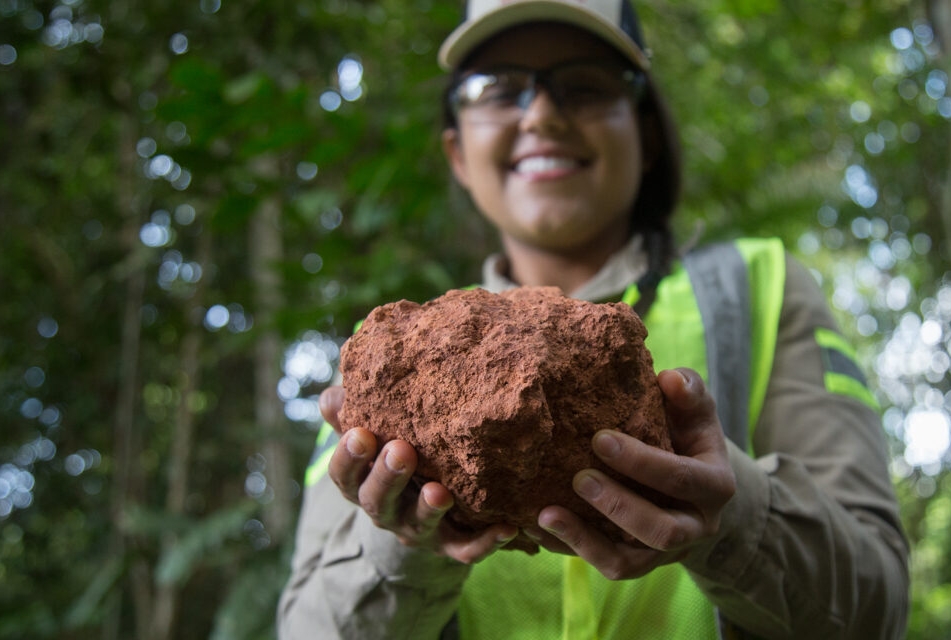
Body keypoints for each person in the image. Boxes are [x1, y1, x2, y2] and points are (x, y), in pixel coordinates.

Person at [278, 1, 910, 638]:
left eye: (586, 84)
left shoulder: (761, 286)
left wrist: (730, 514)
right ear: (458, 153)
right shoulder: (394, 362)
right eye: (499, 89)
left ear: (647, 135)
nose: (543, 114)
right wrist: (406, 545)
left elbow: (877, 609)